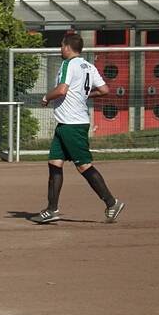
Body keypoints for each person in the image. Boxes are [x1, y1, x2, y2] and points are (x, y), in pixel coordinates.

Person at [31, 33, 125, 224]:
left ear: (67, 47)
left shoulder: (69, 64)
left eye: (61, 46)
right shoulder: (88, 66)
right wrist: (83, 96)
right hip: (66, 124)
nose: (60, 49)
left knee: (83, 165)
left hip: (72, 124)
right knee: (54, 163)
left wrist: (46, 97)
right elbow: (104, 89)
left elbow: (62, 90)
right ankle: (51, 209)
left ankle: (111, 202)